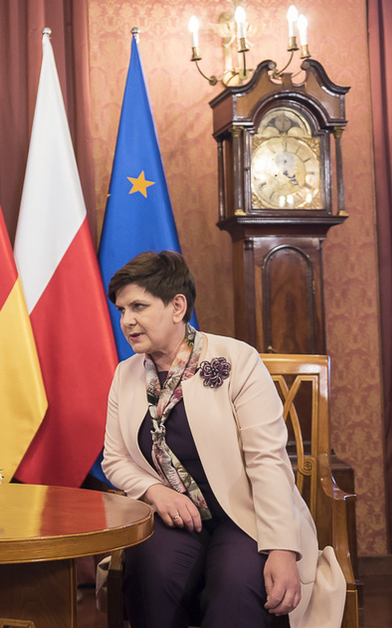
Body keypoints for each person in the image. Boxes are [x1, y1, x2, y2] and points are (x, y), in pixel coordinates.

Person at [102, 251, 345, 628]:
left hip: (247, 516)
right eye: (121, 310)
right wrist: (154, 490)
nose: (127, 321)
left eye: (138, 306)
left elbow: (267, 460)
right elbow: (114, 459)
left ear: (177, 306)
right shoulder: (125, 374)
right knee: (150, 570)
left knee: (234, 587)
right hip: (177, 518)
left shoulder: (237, 359)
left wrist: (283, 548)